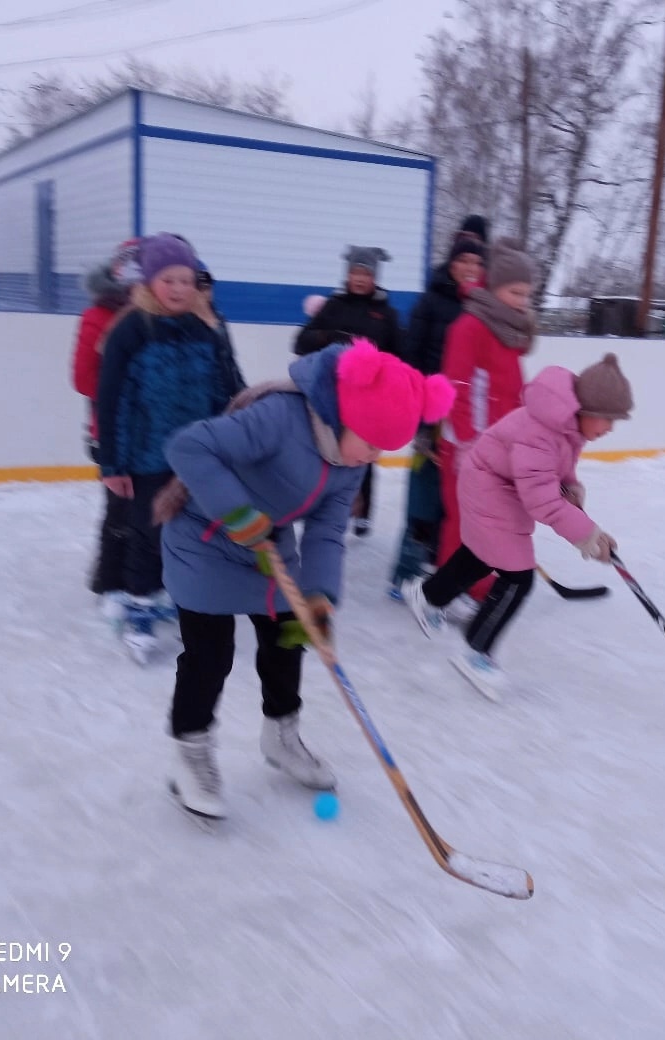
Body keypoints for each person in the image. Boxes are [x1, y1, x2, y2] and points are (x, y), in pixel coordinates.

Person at [157, 338, 454, 818]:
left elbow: (328, 529)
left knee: (288, 637)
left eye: (384, 448)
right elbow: (190, 447)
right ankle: (191, 755)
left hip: (267, 548)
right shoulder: (280, 418)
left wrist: (319, 595)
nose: (373, 456)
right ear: (345, 415)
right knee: (210, 654)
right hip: (204, 536)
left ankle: (281, 736)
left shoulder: (350, 459)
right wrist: (236, 512)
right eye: (372, 441)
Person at [402, 354, 634, 700]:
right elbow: (541, 500)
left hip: (501, 485)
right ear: (587, 408)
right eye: (608, 420)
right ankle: (477, 653)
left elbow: (558, 469)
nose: (610, 429)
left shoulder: (569, 426)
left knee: (482, 556)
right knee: (518, 577)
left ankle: (426, 595)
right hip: (488, 487)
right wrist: (587, 535)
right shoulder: (543, 431)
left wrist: (570, 487)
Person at [95, 233, 248, 662]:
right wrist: (113, 463)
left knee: (193, 536)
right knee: (148, 534)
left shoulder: (207, 327)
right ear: (149, 282)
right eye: (169, 280)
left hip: (197, 456)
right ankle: (139, 609)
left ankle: (182, 604)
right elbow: (112, 401)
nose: (179, 289)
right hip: (146, 455)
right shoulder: (132, 328)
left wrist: (233, 440)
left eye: (186, 280)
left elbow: (226, 390)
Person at [434, 237, 538, 606]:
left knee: (490, 522)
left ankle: (475, 583)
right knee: (465, 519)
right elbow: (456, 387)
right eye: (515, 292)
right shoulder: (470, 326)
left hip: (499, 446)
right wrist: (465, 441)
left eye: (527, 294)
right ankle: (452, 589)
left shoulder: (508, 330)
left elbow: (515, 392)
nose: (522, 301)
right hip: (468, 444)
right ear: (494, 287)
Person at [389, 225, 488, 596]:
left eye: (477, 261)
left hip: (465, 419)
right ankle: (405, 571)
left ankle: (442, 574)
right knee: (423, 495)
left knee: (456, 502)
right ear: (451, 262)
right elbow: (410, 359)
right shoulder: (430, 302)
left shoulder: (483, 307)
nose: (470, 266)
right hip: (430, 414)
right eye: (463, 259)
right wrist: (418, 418)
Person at [294, 245, 404, 536]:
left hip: (368, 397)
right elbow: (300, 343)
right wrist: (328, 336)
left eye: (365, 272)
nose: (359, 277)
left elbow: (400, 357)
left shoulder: (387, 314)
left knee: (362, 457)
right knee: (324, 453)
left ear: (374, 277)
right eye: (355, 271)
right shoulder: (333, 306)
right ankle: (319, 506)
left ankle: (362, 511)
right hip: (330, 394)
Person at [71, 239, 141, 622]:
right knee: (120, 508)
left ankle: (147, 582)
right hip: (113, 429)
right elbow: (83, 378)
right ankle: (110, 582)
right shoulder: (97, 316)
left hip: (155, 429)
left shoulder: (163, 315)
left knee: (155, 512)